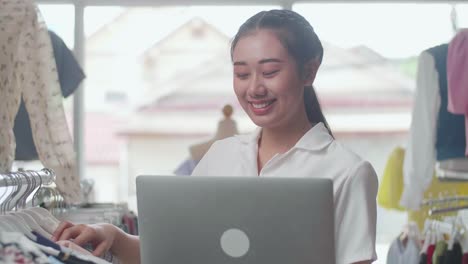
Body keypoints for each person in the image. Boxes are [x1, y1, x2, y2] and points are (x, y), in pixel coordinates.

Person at [52, 9, 378, 264]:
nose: (254, 88)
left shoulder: (348, 172)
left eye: (269, 72)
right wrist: (112, 236)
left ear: (309, 71)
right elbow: (176, 254)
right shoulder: (220, 156)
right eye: (241, 73)